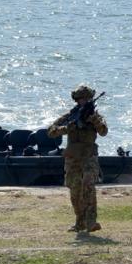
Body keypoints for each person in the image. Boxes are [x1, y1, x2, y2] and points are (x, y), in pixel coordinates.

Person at [47, 85, 108, 234]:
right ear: (77, 100)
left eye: (87, 98)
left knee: (88, 186)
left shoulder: (95, 116)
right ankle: (79, 222)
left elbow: (104, 132)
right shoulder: (70, 115)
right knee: (75, 191)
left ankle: (91, 221)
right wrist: (67, 128)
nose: (84, 101)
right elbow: (50, 131)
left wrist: (95, 121)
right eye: (81, 98)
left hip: (89, 157)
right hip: (73, 158)